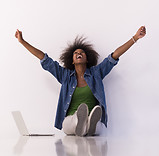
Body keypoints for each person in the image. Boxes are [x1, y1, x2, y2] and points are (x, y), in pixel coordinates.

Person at [15, 26, 146, 137]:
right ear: (72, 60)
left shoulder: (96, 73)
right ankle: (80, 121)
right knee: (69, 123)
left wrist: (135, 38)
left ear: (87, 59)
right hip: (70, 120)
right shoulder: (65, 75)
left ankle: (89, 122)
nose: (79, 53)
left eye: (82, 53)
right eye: (76, 53)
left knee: (97, 126)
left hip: (91, 119)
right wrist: (22, 41)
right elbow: (44, 58)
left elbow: (114, 56)